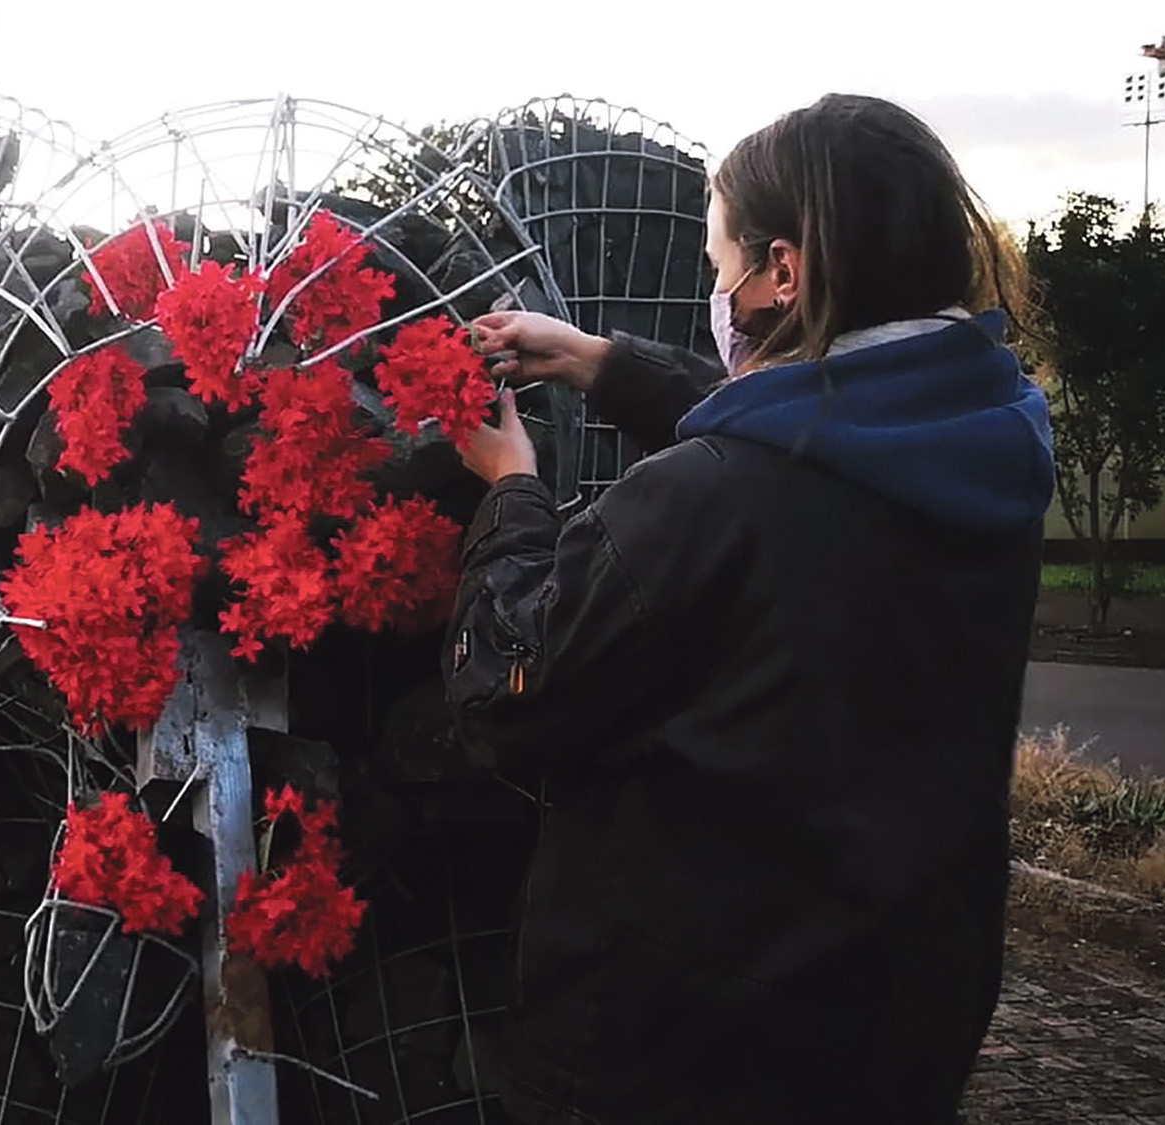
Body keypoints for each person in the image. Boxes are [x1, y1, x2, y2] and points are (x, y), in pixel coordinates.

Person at [444, 93, 1054, 1124]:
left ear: (784, 271)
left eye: (718, 263)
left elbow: (508, 694)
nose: (715, 290)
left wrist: (509, 489)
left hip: (687, 1047)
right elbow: (822, 434)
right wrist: (608, 366)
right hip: (901, 1018)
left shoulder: (705, 498)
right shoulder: (988, 440)